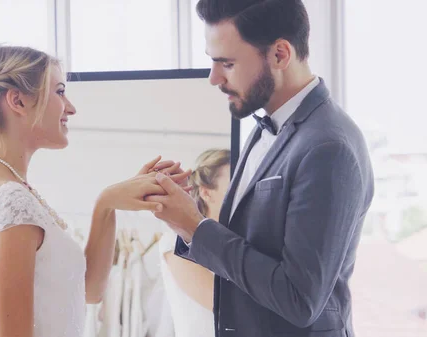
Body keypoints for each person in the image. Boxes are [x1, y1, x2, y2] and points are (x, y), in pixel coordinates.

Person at [146, 1, 375, 336]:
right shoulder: (263, 125)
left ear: (280, 54)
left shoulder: (329, 146)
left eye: (227, 63)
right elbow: (249, 250)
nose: (213, 78)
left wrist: (197, 227)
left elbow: (299, 300)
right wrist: (181, 221)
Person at [0, 45, 190, 337]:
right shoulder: (9, 201)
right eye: (59, 91)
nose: (70, 107)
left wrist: (107, 203)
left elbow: (90, 290)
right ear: (18, 100)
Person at [158, 149, 230, 337]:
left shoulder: (235, 242)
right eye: (233, 183)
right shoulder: (177, 242)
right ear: (206, 193)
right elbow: (222, 304)